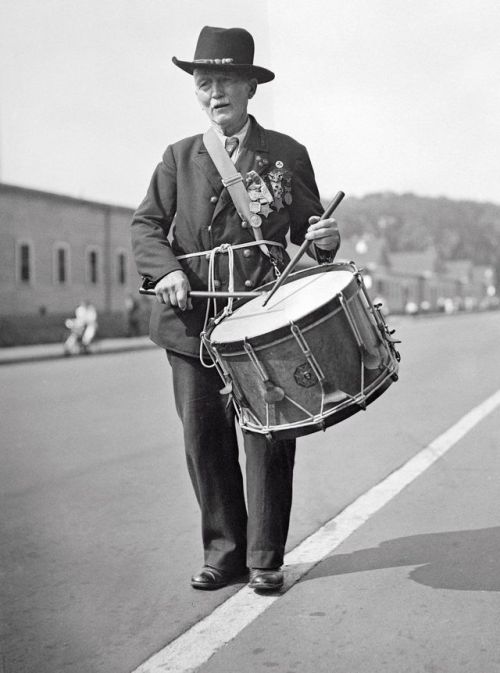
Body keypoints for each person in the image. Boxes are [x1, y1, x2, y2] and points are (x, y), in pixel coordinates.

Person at [131, 26, 340, 592]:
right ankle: (223, 554)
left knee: (270, 439)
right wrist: (168, 270)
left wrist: (323, 238)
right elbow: (147, 225)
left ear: (250, 87)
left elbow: (309, 234)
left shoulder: (287, 154)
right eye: (204, 83)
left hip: (262, 324)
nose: (214, 92)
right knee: (205, 440)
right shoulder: (178, 158)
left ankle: (265, 558)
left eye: (225, 80)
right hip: (191, 323)